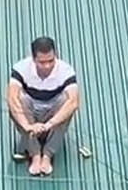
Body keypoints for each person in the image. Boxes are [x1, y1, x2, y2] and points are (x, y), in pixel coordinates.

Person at [5, 36, 80, 177]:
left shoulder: (66, 71)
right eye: (42, 62)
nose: (47, 66)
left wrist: (51, 123)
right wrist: (27, 126)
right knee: (20, 99)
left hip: (53, 114)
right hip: (31, 111)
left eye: (51, 61)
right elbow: (12, 98)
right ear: (33, 59)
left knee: (66, 102)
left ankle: (47, 154)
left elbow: (73, 102)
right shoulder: (21, 68)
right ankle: (35, 154)